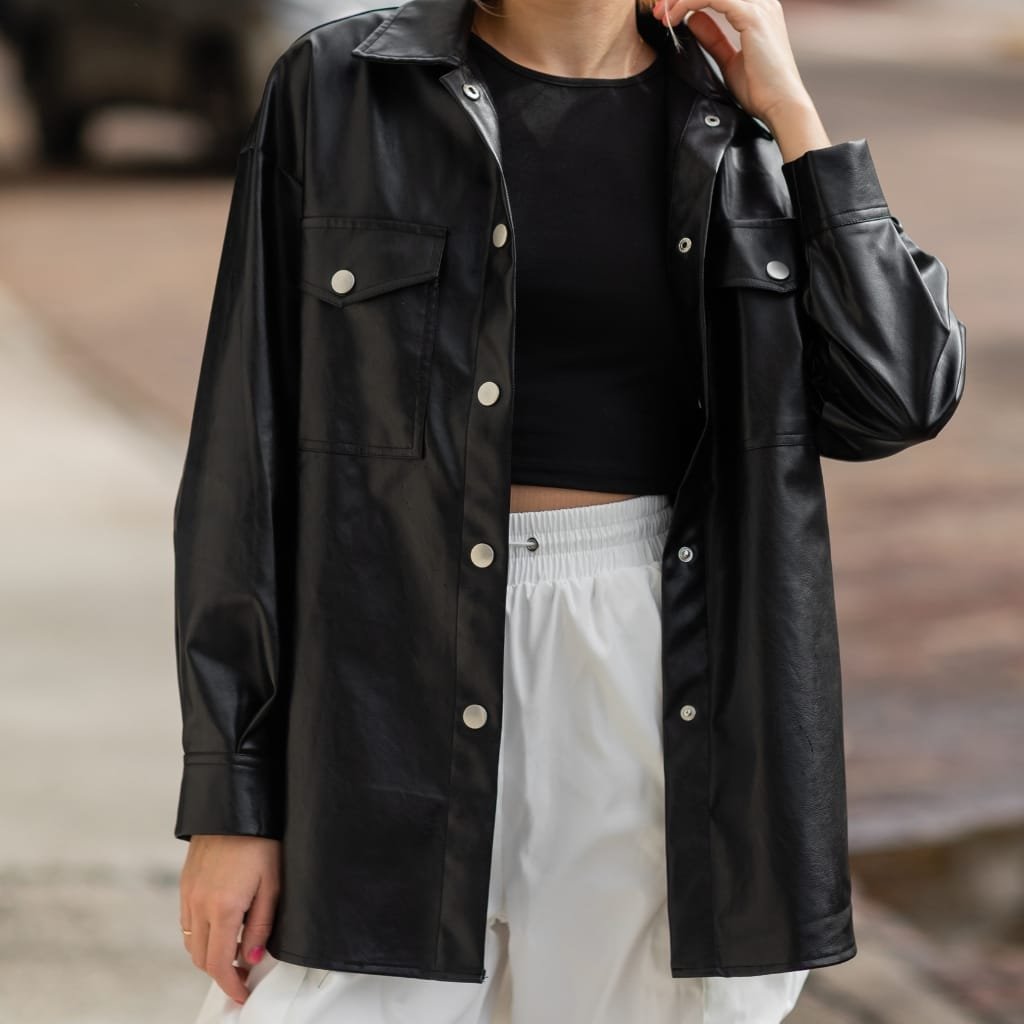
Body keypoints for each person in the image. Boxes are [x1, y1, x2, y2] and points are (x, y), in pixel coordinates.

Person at [172, 0, 966, 1021]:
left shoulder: (744, 125)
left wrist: (795, 109)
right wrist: (233, 801)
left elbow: (895, 397)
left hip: (659, 674)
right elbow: (246, 456)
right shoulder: (338, 86)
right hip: (380, 682)